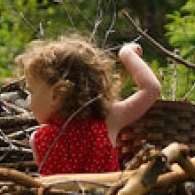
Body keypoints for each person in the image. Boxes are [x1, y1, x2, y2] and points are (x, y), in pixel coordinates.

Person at [16, 35, 162, 176]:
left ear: (55, 96)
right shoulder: (108, 120)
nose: (29, 100)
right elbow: (152, 89)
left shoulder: (39, 139)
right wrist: (126, 54)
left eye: (31, 92)